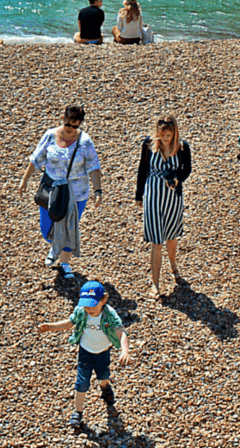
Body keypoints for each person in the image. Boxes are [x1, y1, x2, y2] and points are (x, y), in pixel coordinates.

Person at [18, 104, 102, 282]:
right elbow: (36, 159)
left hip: (76, 193)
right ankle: (55, 245)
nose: (71, 129)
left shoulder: (85, 141)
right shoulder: (50, 135)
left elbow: (94, 166)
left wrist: (98, 190)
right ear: (63, 120)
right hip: (51, 190)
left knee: (69, 228)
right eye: (68, 125)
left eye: (75, 126)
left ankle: (65, 263)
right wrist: (24, 180)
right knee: (46, 227)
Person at [38, 279, 130, 431]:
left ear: (104, 299)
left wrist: (124, 350)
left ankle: (105, 387)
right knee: (81, 382)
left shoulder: (109, 314)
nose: (88, 308)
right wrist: (50, 327)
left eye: (92, 304)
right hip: (85, 352)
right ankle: (77, 412)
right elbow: (69, 323)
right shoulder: (81, 311)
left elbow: (121, 333)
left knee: (103, 375)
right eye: (86, 304)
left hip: (103, 352)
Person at [134, 116, 192, 299]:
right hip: (153, 193)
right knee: (156, 240)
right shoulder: (149, 144)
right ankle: (155, 283)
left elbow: (187, 169)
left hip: (173, 196)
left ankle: (174, 265)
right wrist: (138, 195)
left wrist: (177, 178)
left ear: (174, 133)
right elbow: (142, 168)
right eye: (162, 134)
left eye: (169, 134)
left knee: (172, 236)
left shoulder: (182, 147)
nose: (165, 138)